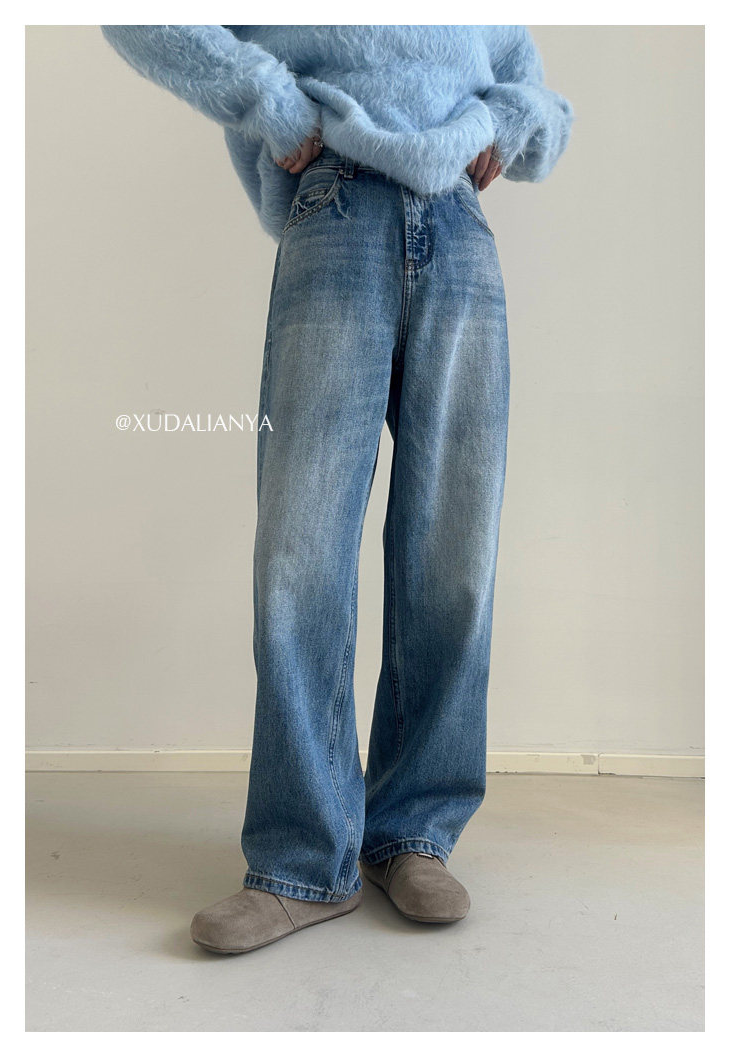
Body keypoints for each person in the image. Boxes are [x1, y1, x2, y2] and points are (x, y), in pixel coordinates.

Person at [101, 25, 573, 954]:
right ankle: (301, 859)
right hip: (336, 207)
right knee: (300, 550)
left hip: (459, 228)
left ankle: (414, 833)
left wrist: (511, 121)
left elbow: (542, 105)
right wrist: (269, 101)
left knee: (454, 556)